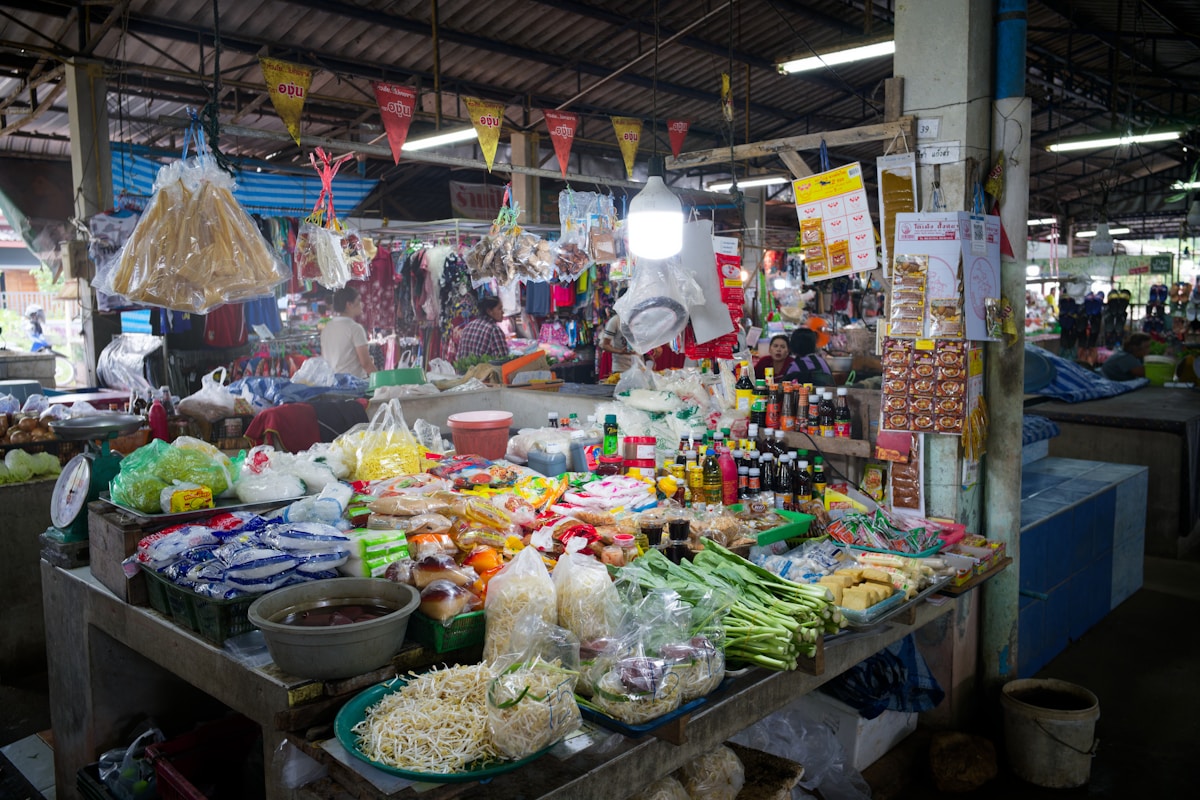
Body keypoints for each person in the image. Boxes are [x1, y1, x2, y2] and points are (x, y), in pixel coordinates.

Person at [321, 286, 375, 378]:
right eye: (358, 301)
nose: (361, 304)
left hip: (331, 382)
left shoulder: (327, 327)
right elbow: (366, 364)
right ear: (349, 305)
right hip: (353, 384)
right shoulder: (355, 328)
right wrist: (383, 383)